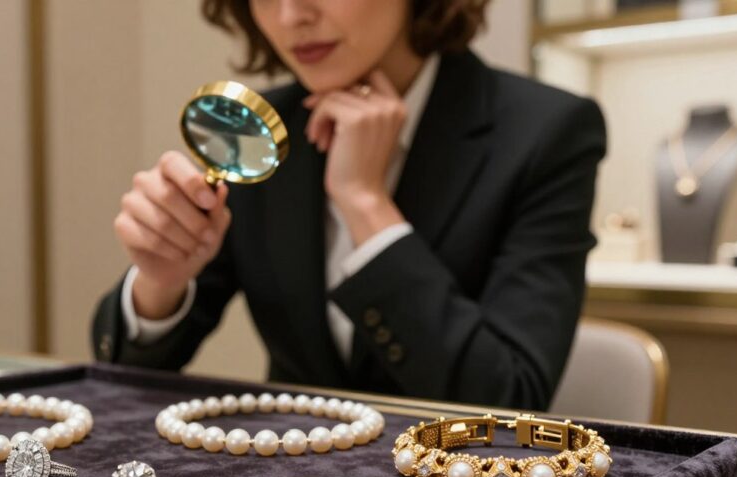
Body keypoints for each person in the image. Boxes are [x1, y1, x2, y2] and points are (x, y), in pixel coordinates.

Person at [91, 0, 606, 410]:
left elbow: (508, 401)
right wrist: (160, 284)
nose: (293, 16)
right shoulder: (262, 134)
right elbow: (133, 372)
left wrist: (365, 203)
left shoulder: (547, 134)